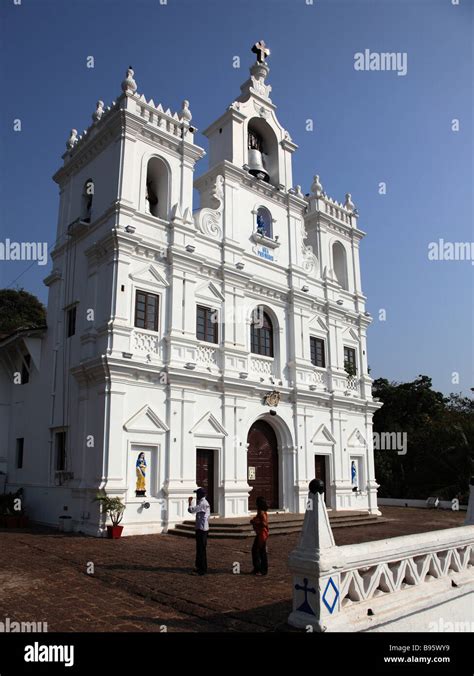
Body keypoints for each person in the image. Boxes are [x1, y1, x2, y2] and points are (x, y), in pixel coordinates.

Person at [188, 487, 210, 575]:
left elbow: (191, 510)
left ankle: (202, 569)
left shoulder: (203, 503)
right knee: (200, 549)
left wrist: (190, 502)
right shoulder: (202, 502)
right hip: (201, 528)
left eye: (197, 494)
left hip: (202, 529)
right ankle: (199, 567)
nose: (196, 495)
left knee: (201, 550)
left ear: (200, 495)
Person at [250, 496, 269, 576]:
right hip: (260, 534)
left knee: (260, 552)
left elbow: (265, 523)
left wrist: (256, 522)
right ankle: (257, 568)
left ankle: (261, 569)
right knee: (256, 550)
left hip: (262, 534)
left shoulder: (262, 513)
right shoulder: (260, 512)